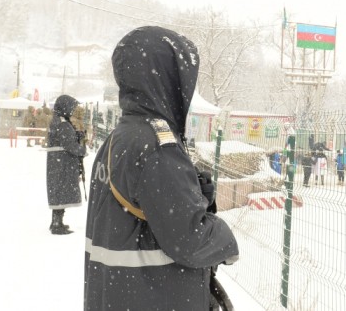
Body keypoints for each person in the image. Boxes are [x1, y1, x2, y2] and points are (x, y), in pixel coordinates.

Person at [84, 26, 239, 310]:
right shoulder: (158, 146)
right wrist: (224, 237)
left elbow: (136, 217)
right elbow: (189, 240)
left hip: (117, 293)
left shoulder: (119, 138)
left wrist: (191, 194)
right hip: (154, 296)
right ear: (167, 79)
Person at [46, 94, 86, 235]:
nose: (73, 110)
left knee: (58, 191)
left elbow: (65, 139)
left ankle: (56, 222)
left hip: (59, 163)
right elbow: (69, 145)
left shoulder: (58, 121)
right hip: (62, 163)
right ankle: (57, 224)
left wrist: (76, 135)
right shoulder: (62, 123)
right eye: (72, 107)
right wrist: (82, 150)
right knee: (61, 191)